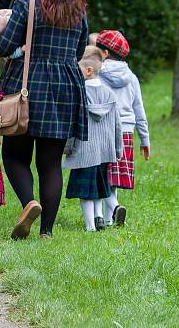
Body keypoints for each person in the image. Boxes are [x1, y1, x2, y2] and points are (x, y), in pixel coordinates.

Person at [0, 0, 89, 239]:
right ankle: (47, 231)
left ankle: (29, 203)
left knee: (16, 155)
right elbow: (79, 51)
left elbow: (4, 45)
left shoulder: (28, 4)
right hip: (65, 89)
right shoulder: (78, 9)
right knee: (50, 162)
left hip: (27, 86)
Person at [63, 46, 124, 232]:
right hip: (105, 151)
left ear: (88, 71)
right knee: (98, 187)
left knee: (85, 193)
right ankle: (98, 217)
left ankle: (90, 225)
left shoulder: (79, 95)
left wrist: (67, 148)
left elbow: (71, 124)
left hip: (84, 150)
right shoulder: (110, 94)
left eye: (77, 67)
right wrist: (118, 149)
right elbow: (117, 125)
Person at [95, 29, 150, 226]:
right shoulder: (132, 77)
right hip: (126, 131)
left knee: (101, 174)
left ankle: (111, 209)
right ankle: (110, 219)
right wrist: (145, 140)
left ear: (106, 53)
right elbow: (140, 111)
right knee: (114, 176)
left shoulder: (97, 74)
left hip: (103, 130)